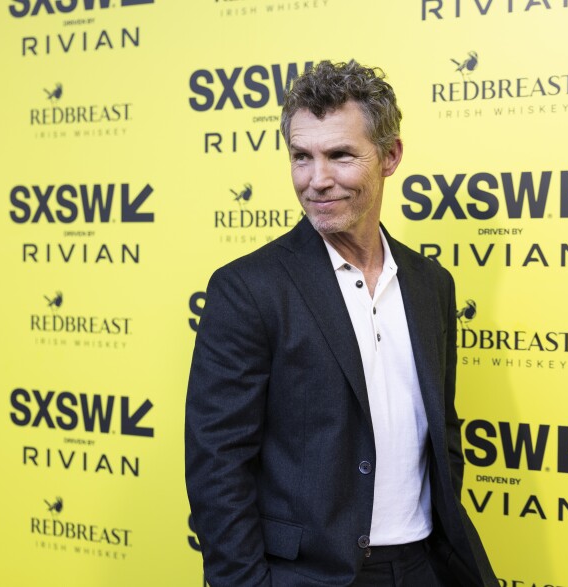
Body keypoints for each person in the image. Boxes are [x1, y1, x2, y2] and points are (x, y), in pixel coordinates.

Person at [185, 60, 498, 587]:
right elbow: (218, 466)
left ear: (390, 156)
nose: (317, 180)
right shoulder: (248, 289)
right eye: (301, 157)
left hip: (425, 567)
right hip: (306, 575)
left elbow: (442, 433)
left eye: (340, 156)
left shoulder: (431, 285)